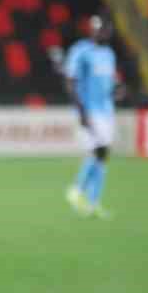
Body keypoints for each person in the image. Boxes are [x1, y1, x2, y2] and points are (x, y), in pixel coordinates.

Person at [63, 16, 122, 219]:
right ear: (93, 31)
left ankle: (93, 203)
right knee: (98, 151)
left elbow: (110, 82)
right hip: (89, 111)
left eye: (106, 30)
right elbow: (70, 81)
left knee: (102, 156)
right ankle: (77, 190)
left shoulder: (109, 54)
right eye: (100, 30)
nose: (104, 33)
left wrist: (116, 91)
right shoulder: (81, 51)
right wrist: (80, 112)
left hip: (107, 111)